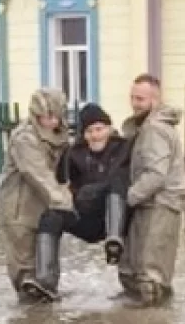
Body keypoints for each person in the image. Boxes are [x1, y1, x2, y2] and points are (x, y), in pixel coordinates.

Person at [117, 74, 185, 305]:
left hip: (159, 206)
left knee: (150, 277)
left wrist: (127, 198)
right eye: (132, 97)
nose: (134, 103)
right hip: (149, 205)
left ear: (155, 100)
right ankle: (145, 322)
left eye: (140, 99)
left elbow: (156, 175)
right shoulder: (148, 127)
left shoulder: (154, 129)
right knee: (133, 271)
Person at [0, 88, 74, 302]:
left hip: (45, 209)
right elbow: (37, 174)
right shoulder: (24, 138)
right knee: (25, 269)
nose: (51, 121)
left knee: (47, 267)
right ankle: (28, 315)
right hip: (19, 210)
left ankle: (46, 311)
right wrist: (65, 203)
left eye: (55, 116)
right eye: (46, 117)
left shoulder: (60, 135)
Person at [57, 102, 133, 264]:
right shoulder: (74, 154)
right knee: (50, 217)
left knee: (117, 182)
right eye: (89, 131)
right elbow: (61, 184)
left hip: (120, 215)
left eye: (99, 129)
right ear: (83, 135)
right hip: (88, 213)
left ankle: (114, 242)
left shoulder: (124, 148)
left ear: (109, 129)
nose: (95, 135)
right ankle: (44, 274)